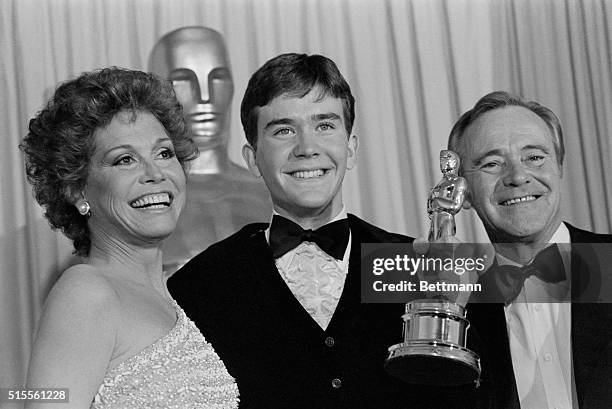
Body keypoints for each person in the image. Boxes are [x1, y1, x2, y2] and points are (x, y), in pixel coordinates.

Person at [168, 53, 460, 409]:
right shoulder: (200, 285)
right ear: (252, 158)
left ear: (350, 149)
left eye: (325, 125)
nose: (307, 148)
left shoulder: (415, 265)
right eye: (284, 130)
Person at [21, 67, 239, 408]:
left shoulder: (174, 299)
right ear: (77, 187)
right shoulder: (87, 293)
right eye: (125, 160)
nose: (154, 174)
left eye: (164, 153)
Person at [447, 91, 612, 408]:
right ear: (462, 192)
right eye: (492, 163)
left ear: (559, 167)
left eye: (534, 157)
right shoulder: (458, 314)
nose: (518, 176)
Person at [149, 26, 271, 275]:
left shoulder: (275, 193)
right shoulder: (142, 201)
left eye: (217, 77)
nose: (205, 97)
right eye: (182, 79)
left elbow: (368, 294)